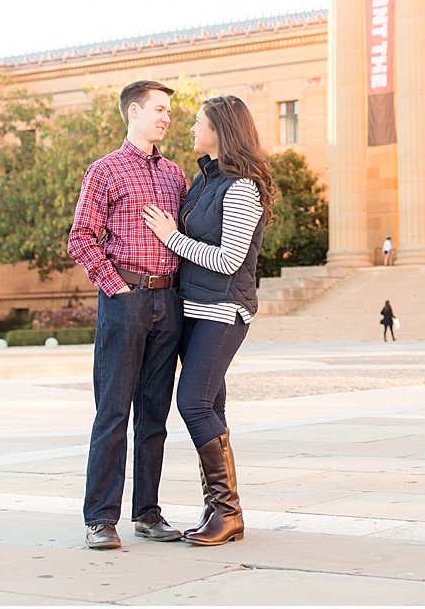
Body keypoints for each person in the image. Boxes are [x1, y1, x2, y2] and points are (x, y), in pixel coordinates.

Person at [140, 94, 274, 547]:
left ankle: (228, 510)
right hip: (193, 308)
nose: (191, 129)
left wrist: (171, 237)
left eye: (198, 122)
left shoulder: (242, 187)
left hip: (222, 310)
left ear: (220, 129)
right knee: (210, 407)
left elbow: (230, 259)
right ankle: (217, 511)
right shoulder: (203, 182)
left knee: (193, 403)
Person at [67, 80, 188, 552]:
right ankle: (100, 518)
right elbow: (80, 238)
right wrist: (116, 287)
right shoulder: (105, 171)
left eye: (169, 111)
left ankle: (147, 513)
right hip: (126, 298)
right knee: (114, 411)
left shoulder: (176, 175)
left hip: (169, 301)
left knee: (155, 413)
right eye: (159, 109)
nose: (166, 117)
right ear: (133, 112)